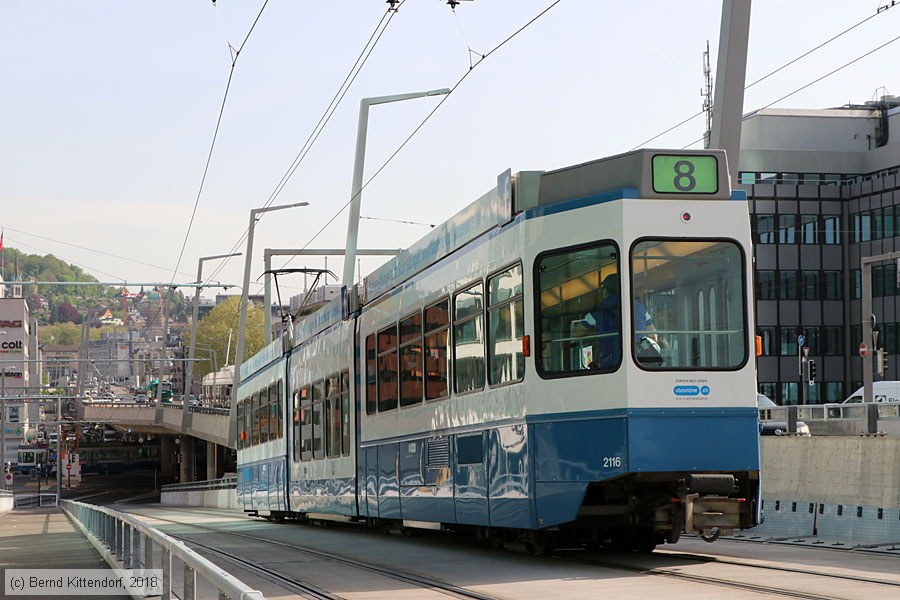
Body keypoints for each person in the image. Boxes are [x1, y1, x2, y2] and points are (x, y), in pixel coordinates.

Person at [575, 273, 664, 367]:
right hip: (640, 360)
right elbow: (653, 336)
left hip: (610, 361)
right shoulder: (639, 307)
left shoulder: (599, 310)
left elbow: (575, 333)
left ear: (605, 290)